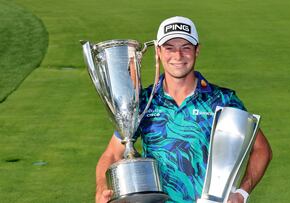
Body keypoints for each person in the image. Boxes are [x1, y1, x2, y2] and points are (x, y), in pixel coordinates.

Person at [95, 16, 272, 203]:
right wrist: (102, 188)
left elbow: (261, 149)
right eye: (170, 48)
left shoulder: (221, 99)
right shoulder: (143, 101)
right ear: (159, 52)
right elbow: (112, 153)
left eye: (185, 48)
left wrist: (242, 193)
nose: (178, 56)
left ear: (197, 51)